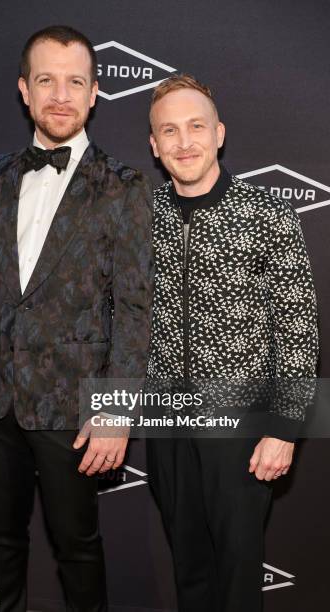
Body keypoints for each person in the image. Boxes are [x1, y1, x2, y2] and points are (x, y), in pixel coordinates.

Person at [0, 25, 153, 612]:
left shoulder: (125, 187)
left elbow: (137, 308)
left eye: (75, 82)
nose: (60, 95)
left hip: (71, 404)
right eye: (46, 81)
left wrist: (115, 410)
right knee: (1, 541)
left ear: (93, 95)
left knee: (77, 548)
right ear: (24, 91)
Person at [146, 74, 318, 612]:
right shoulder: (137, 219)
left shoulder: (269, 214)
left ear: (219, 133)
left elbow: (298, 328)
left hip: (243, 422)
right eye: (169, 131)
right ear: (154, 146)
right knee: (188, 566)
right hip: (165, 417)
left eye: (196, 126)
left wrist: (284, 429)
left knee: (239, 572)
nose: (184, 142)